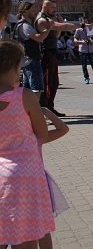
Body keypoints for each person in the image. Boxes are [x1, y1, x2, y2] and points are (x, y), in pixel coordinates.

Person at [0, 40, 55, 248]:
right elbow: (42, 133)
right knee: (27, 239)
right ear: (16, 66)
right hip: (25, 176)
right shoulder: (24, 96)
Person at [36, 0, 77, 117]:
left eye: (55, 7)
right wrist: (80, 25)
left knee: (54, 82)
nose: (54, 9)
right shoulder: (42, 19)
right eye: (52, 7)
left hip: (52, 53)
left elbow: (57, 35)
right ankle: (45, 109)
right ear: (45, 7)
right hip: (45, 54)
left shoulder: (50, 20)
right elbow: (63, 27)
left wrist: (57, 26)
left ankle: (49, 107)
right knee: (48, 83)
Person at [38, 107, 70, 249]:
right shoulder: (34, 138)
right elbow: (63, 129)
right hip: (36, 186)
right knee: (42, 228)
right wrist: (47, 112)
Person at [14, 1, 52, 102]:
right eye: (32, 9)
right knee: (36, 88)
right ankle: (34, 113)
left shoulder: (23, 24)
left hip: (27, 60)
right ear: (25, 11)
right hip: (31, 60)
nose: (34, 12)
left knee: (27, 89)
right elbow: (39, 38)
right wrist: (49, 28)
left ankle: (26, 113)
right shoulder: (25, 26)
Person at [73, 18, 93, 85]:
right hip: (83, 50)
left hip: (91, 49)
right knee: (84, 65)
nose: (86, 23)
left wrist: (92, 40)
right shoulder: (78, 30)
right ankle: (86, 78)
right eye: (84, 22)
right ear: (81, 22)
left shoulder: (91, 29)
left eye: (87, 21)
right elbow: (75, 40)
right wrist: (81, 41)